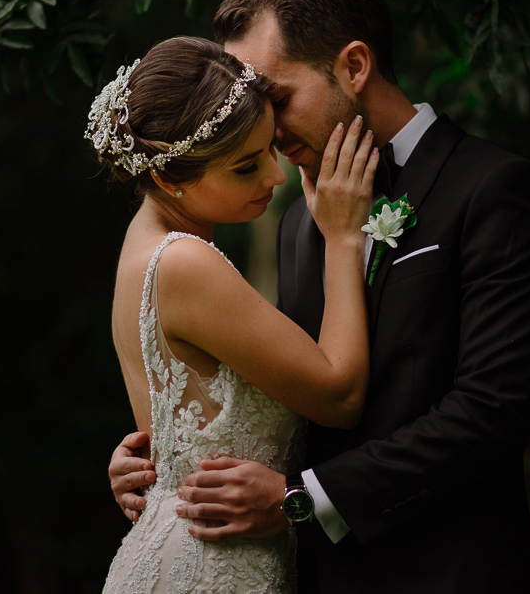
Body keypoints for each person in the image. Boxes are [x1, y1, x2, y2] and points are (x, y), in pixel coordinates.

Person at [108, 0, 530, 593]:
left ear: (353, 65)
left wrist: (300, 499)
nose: (259, 124)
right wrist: (168, 464)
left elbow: (490, 414)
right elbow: (295, 391)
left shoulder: (491, 190)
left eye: (277, 96)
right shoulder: (301, 222)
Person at [90, 35, 379, 594]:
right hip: (211, 567)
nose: (275, 178)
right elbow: (340, 397)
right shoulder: (184, 263)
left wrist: (146, 472)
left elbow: (174, 437)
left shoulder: (142, 242)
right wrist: (343, 239)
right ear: (170, 178)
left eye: (270, 149)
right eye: (246, 168)